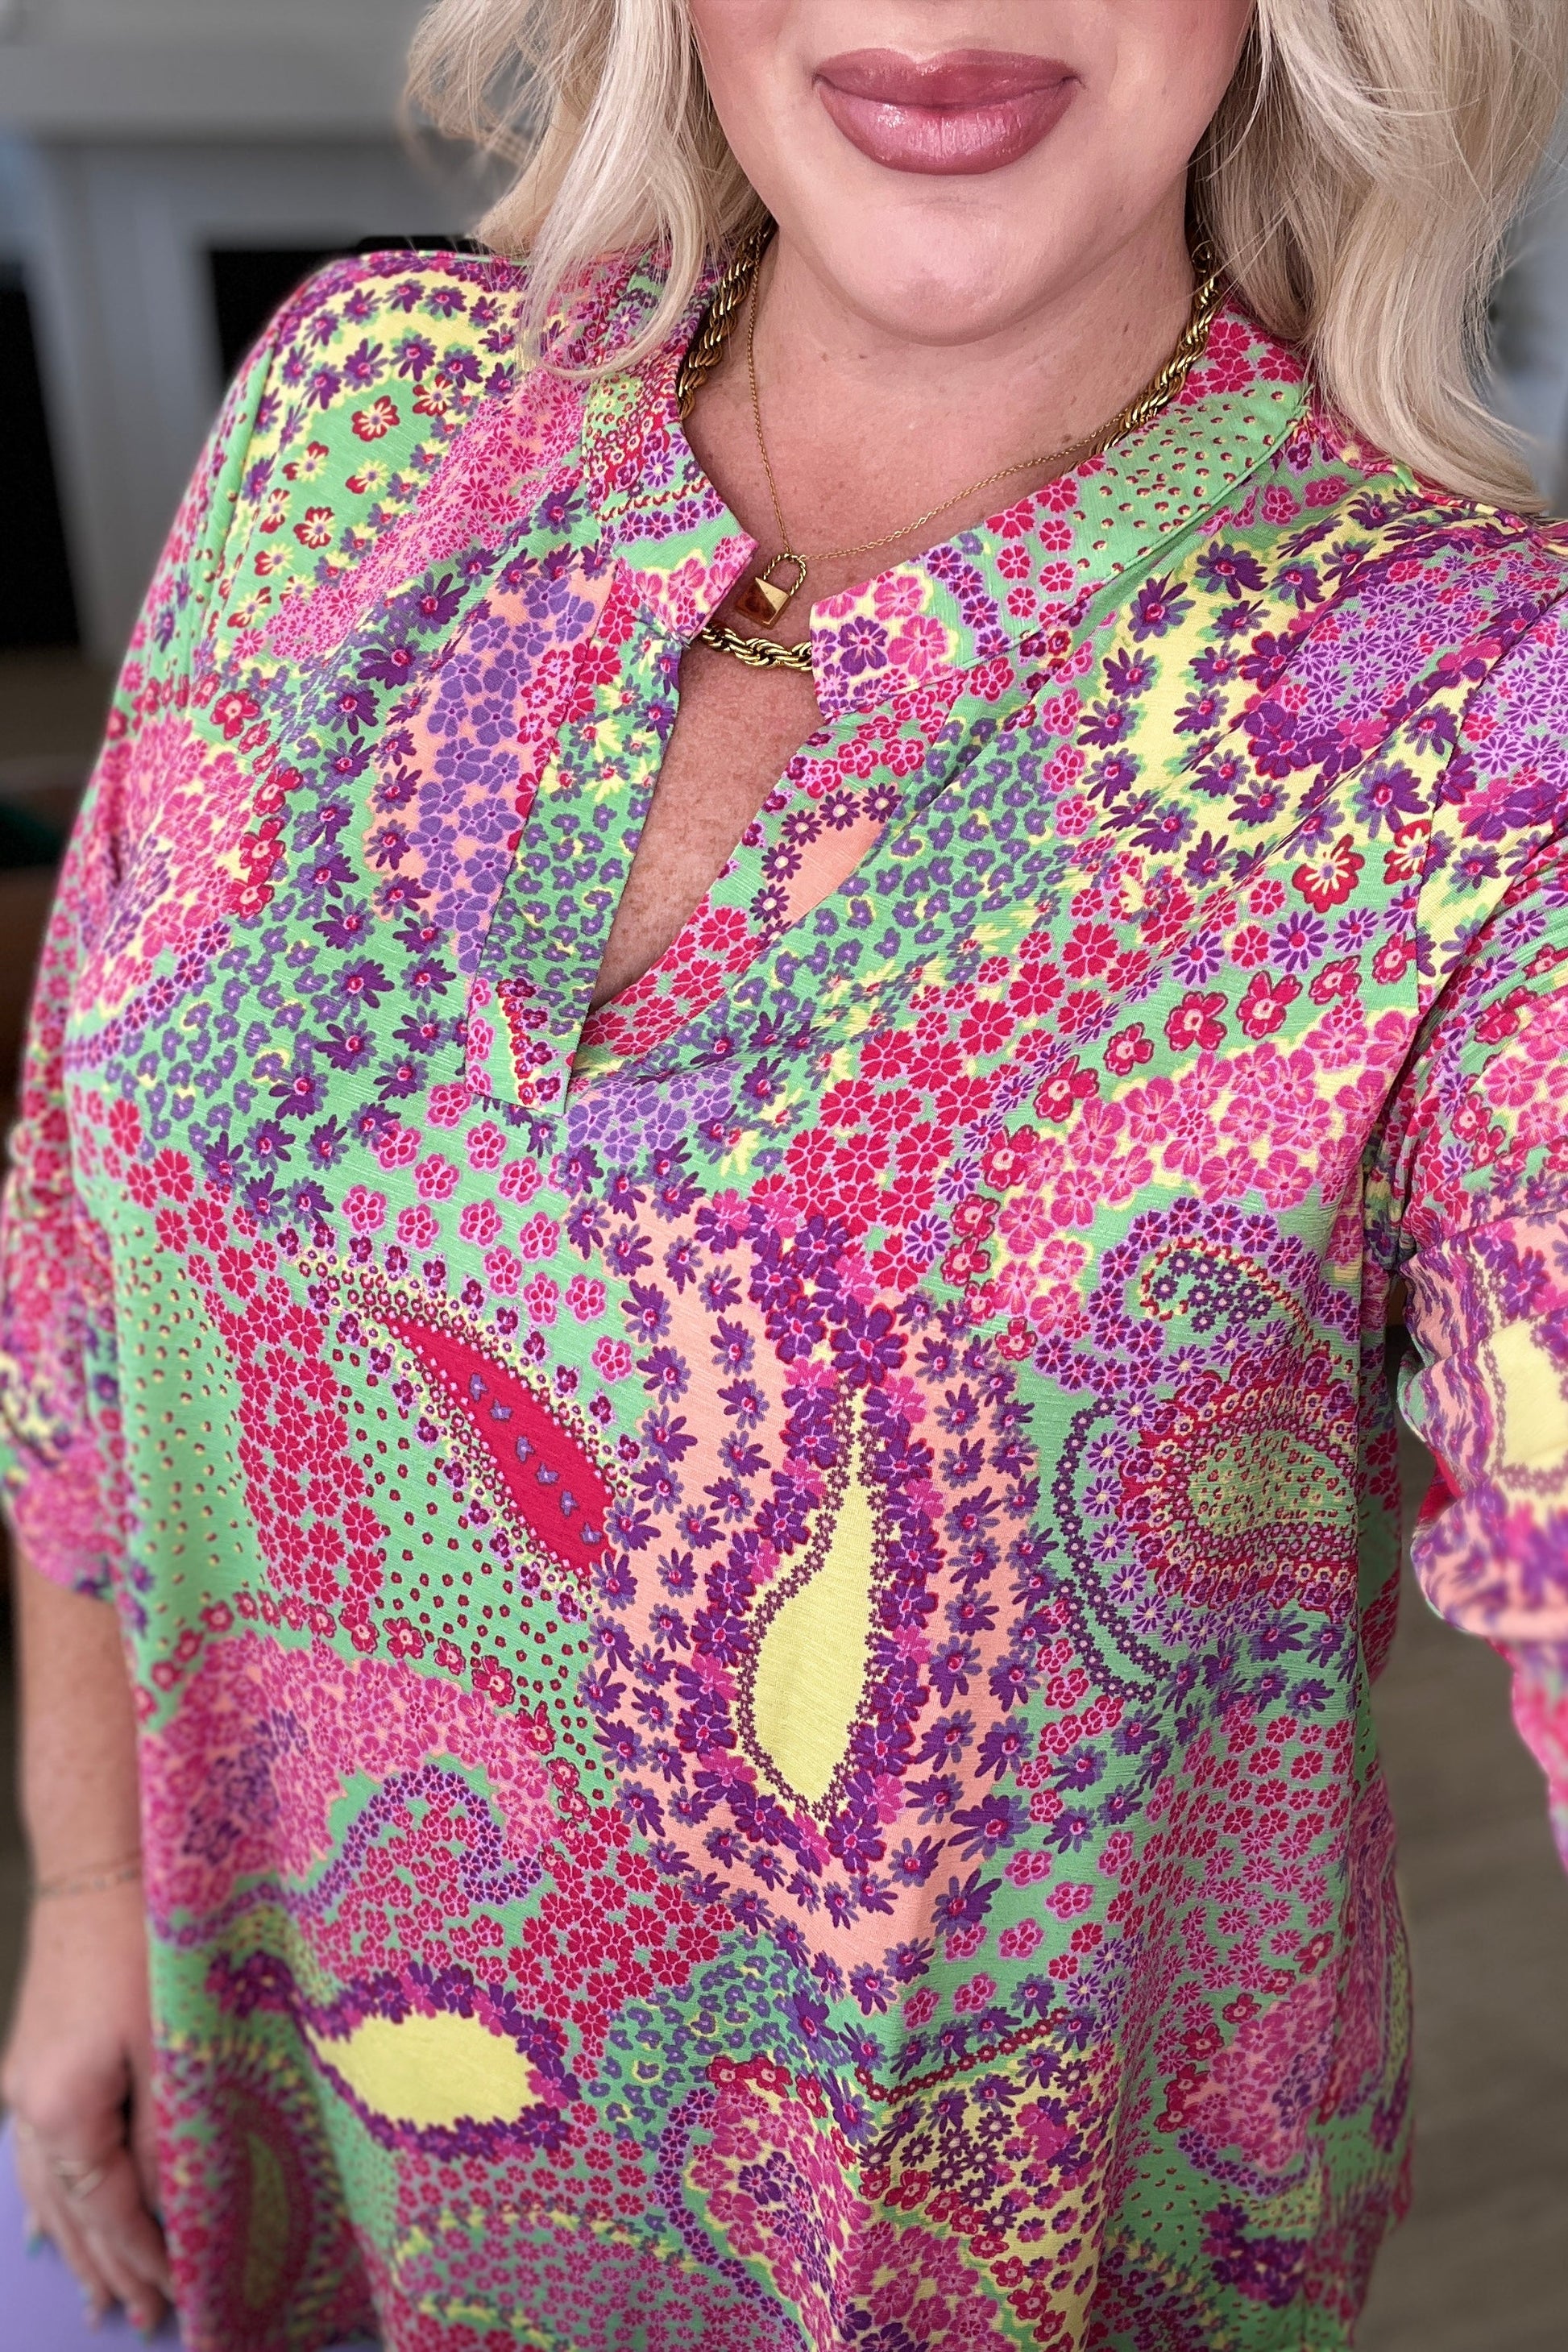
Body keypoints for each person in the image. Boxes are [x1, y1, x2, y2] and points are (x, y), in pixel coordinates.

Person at [3, 2, 1566, 2345]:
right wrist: (90, 1895)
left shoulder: (1478, 718)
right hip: (281, 2146)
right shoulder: (356, 410)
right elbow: (74, 1233)